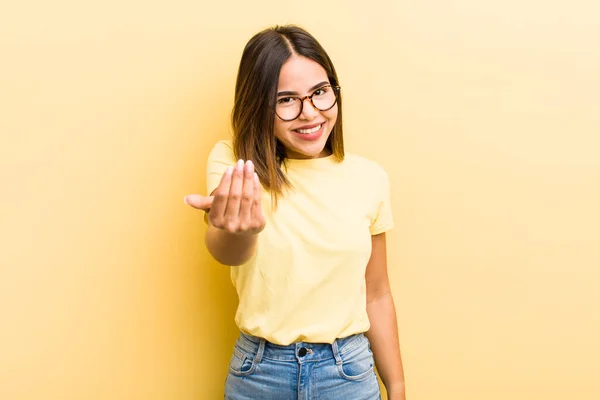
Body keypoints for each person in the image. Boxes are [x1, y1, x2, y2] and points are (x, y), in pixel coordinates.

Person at [185, 25, 406, 400]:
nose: (310, 114)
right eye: (286, 100)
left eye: (320, 93)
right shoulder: (234, 162)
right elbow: (227, 251)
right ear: (258, 105)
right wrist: (241, 230)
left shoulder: (369, 177)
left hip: (348, 373)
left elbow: (377, 294)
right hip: (259, 374)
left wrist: (397, 387)